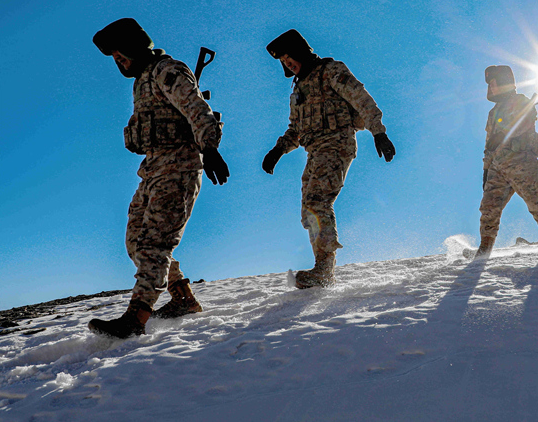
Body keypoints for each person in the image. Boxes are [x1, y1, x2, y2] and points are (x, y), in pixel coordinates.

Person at [89, 18, 229, 338]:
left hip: (179, 168)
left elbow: (196, 107)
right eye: (114, 59)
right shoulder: (141, 81)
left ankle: (136, 318)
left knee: (155, 243)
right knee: (136, 241)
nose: (118, 63)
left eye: (120, 55)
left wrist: (209, 147)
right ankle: (183, 299)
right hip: (153, 170)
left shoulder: (167, 70)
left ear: (136, 47)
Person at [262, 29, 395, 289]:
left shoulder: (330, 71)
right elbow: (296, 130)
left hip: (337, 144)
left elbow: (362, 100)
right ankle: (321, 267)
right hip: (315, 151)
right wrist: (277, 151)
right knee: (308, 210)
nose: (289, 65)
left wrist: (379, 132)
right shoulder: (298, 89)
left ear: (301, 52)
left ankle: (324, 271)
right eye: (285, 63)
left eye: (291, 59)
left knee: (317, 201)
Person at [478, 65, 538, 257]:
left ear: (505, 82)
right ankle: (484, 249)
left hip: (521, 163)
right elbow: (489, 143)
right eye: (489, 84)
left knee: (536, 202)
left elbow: (525, 121)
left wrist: (505, 132)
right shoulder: (493, 112)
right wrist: (486, 168)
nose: (491, 87)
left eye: (494, 83)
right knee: (488, 207)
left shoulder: (521, 101)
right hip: (497, 167)